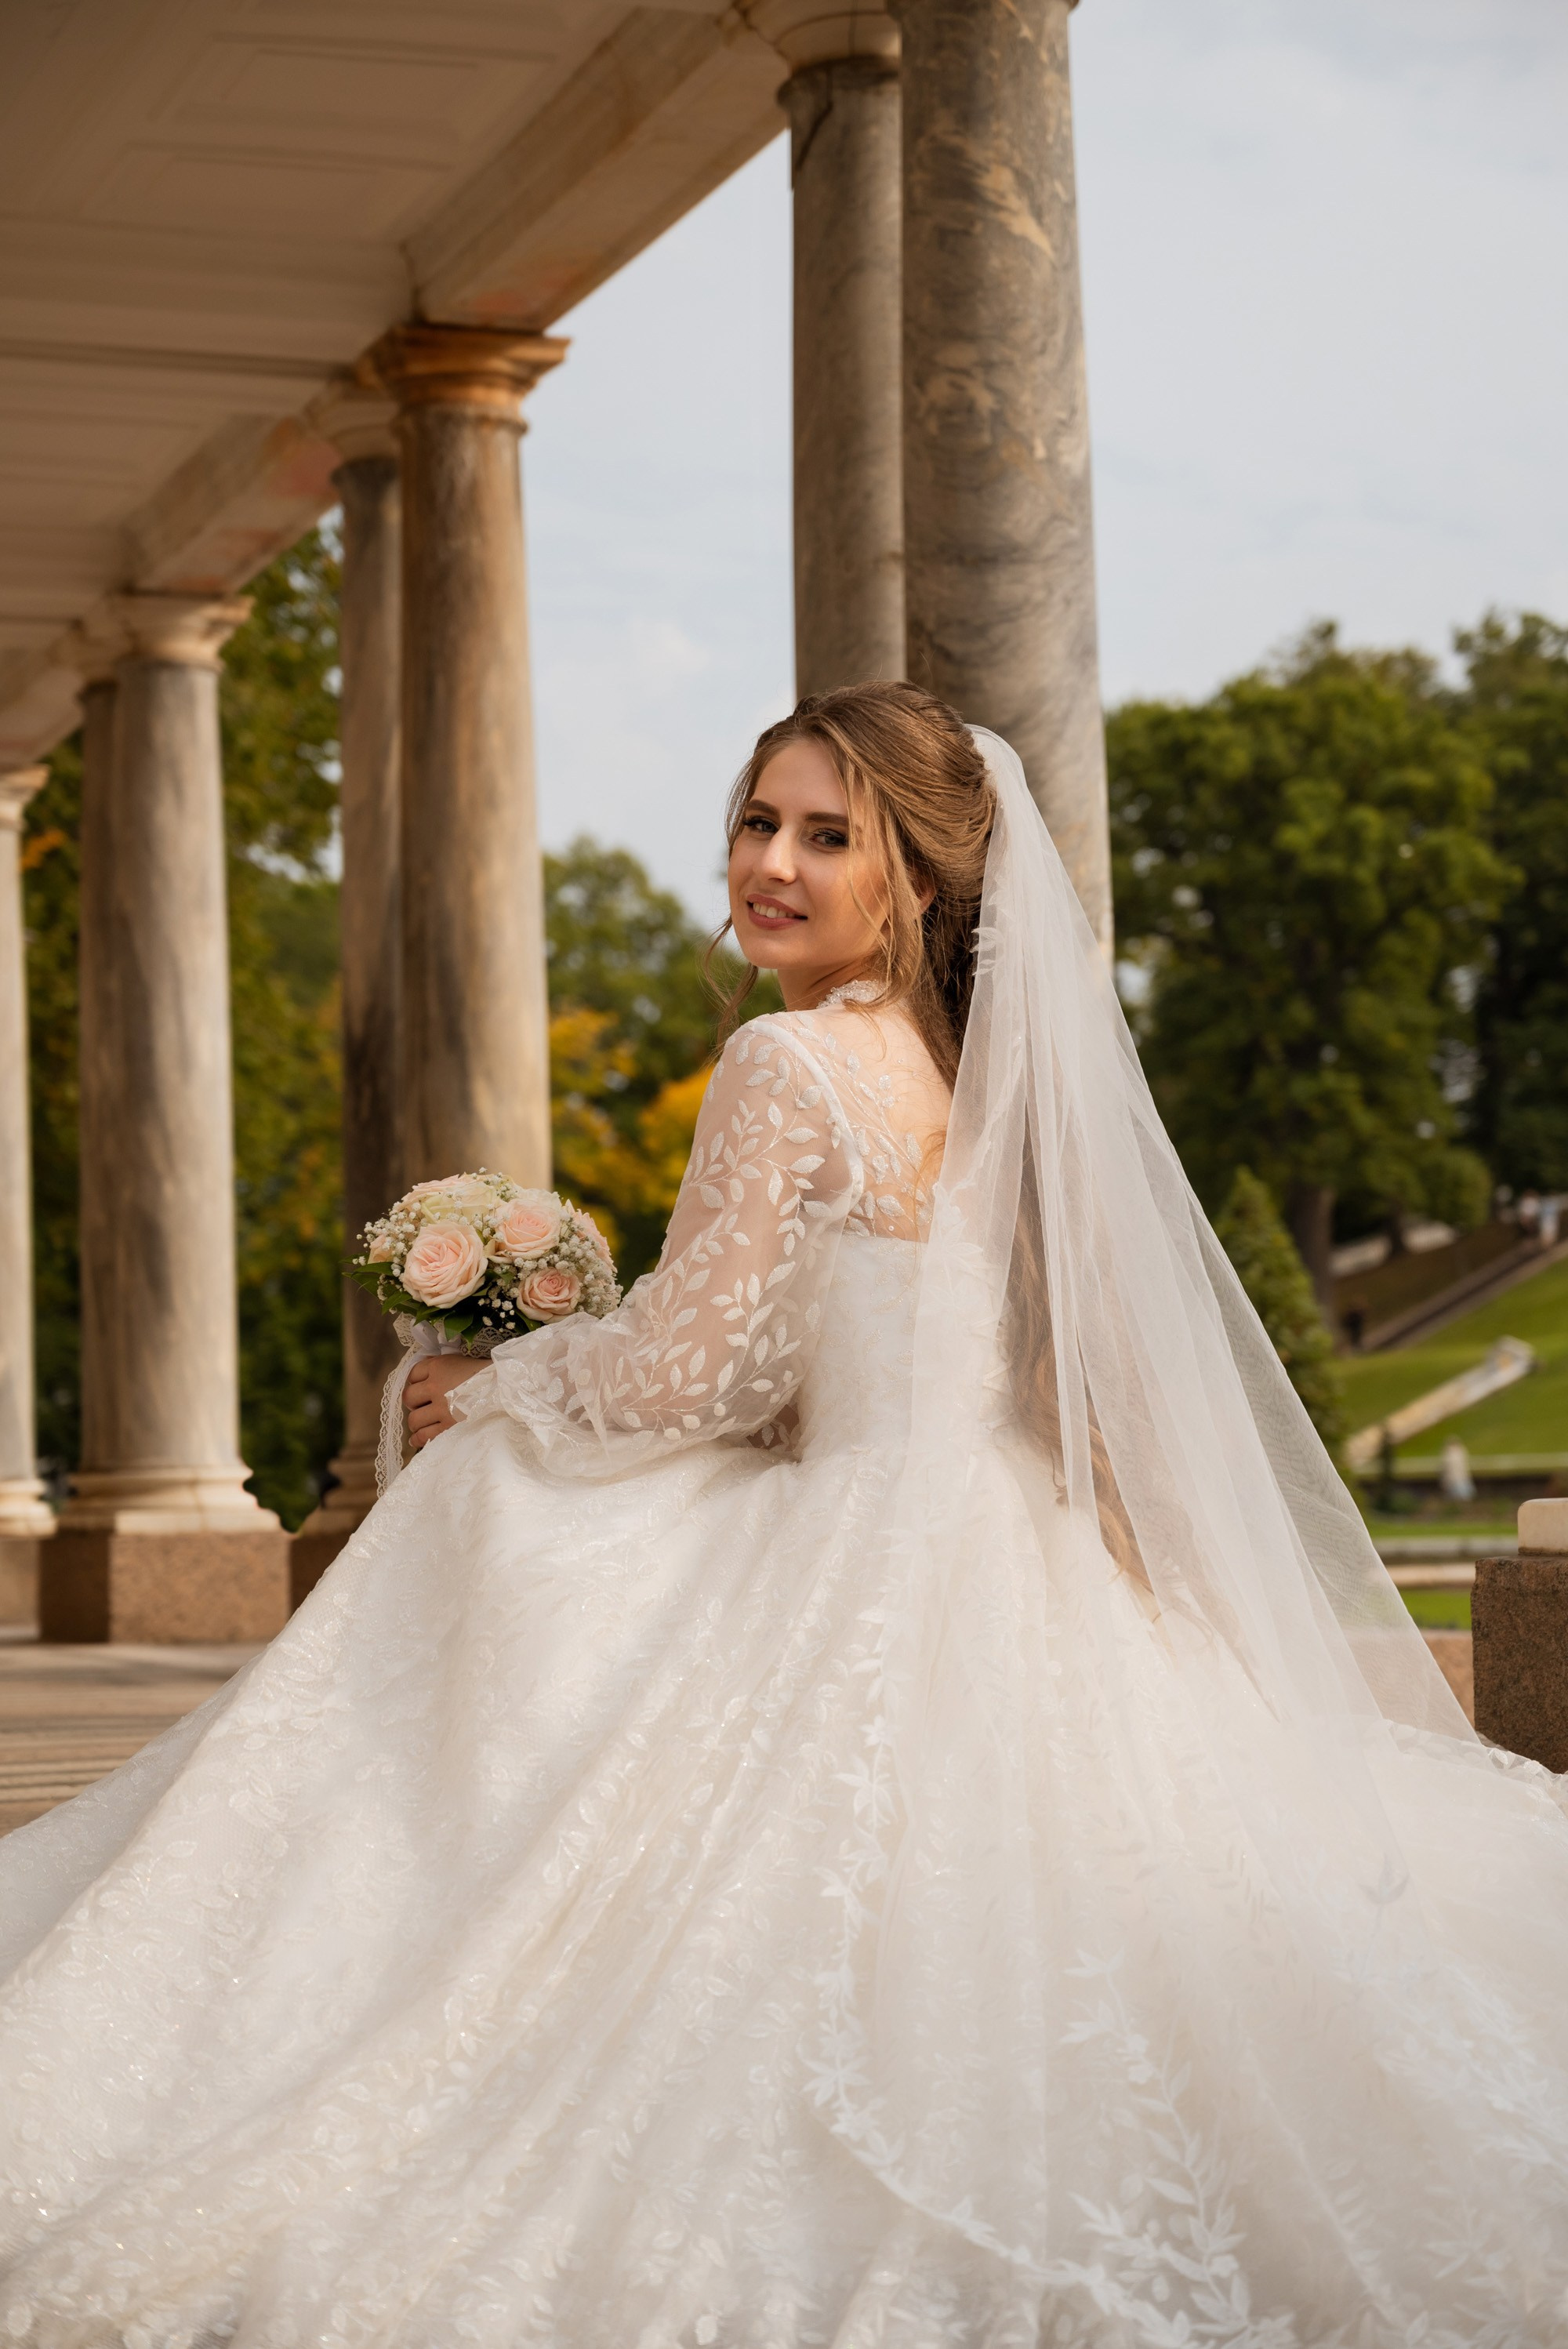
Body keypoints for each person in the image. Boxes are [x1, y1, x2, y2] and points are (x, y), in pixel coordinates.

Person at [2, 683, 1568, 2347]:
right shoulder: (973, 1059)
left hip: (855, 1529)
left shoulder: (784, 1059)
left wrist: (502, 1377)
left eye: (829, 836)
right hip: (999, 1533)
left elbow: (692, 1379)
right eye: (760, 821)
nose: (772, 864)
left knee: (482, 1490)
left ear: (912, 878)